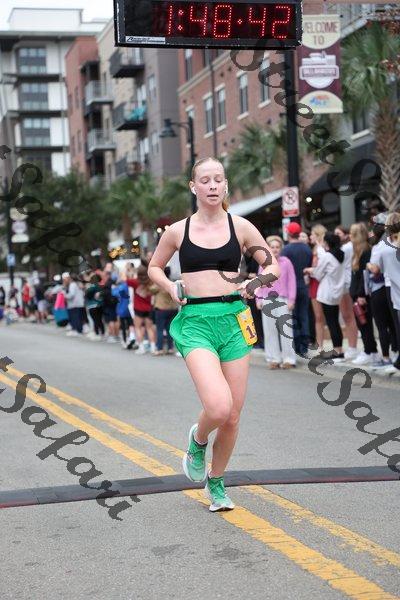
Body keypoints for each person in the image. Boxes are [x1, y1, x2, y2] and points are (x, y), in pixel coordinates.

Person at [148, 157, 280, 512]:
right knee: (219, 407)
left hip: (234, 320)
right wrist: (170, 286)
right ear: (193, 187)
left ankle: (217, 482)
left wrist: (254, 283)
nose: (212, 185)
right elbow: (154, 267)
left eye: (218, 179)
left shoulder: (241, 226)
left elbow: (272, 264)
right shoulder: (177, 231)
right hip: (195, 322)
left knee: (233, 415)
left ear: (225, 185)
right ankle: (198, 438)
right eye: (204, 180)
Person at [256, 235, 296, 368]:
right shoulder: (264, 263)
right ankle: (273, 359)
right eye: (272, 247)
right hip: (267, 300)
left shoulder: (286, 262)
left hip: (283, 299)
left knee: (286, 330)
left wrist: (291, 299)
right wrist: (258, 299)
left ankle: (289, 359)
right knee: (269, 331)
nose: (275, 249)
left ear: (281, 248)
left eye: (277, 247)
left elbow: (292, 282)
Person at [367, 212, 400, 374]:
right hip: (392, 287)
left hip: (393, 288)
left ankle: (396, 358)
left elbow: (375, 269)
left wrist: (368, 266)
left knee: (396, 324)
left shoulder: (383, 247)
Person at [304, 232, 346, 359]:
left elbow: (318, 273)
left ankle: (337, 351)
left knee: (332, 323)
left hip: (327, 293)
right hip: (337, 292)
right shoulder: (341, 254)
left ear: (327, 243)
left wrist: (309, 270)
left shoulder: (327, 256)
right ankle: (339, 349)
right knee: (335, 322)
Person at [349, 223, 379, 365]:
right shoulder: (358, 251)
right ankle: (370, 351)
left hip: (362, 294)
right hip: (357, 293)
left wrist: (361, 294)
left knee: (364, 323)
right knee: (362, 324)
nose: (349, 236)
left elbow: (364, 275)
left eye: (352, 233)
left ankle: (370, 351)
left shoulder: (366, 251)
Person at [281, 222, 312, 356]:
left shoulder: (286, 250)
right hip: (303, 285)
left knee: (293, 317)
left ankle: (297, 346)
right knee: (304, 316)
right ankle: (304, 346)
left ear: (288, 233)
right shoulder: (307, 249)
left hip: (290, 288)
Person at [334, 225, 359, 360]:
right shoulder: (346, 247)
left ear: (346, 234)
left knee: (349, 316)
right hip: (344, 284)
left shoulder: (347, 247)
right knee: (346, 316)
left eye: (338, 233)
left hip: (347, 284)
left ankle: (353, 347)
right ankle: (352, 347)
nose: (336, 236)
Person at [127, 264, 157, 355]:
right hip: (149, 308)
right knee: (149, 328)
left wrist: (131, 272)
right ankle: (153, 348)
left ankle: (141, 348)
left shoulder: (135, 282)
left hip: (138, 308)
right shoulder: (151, 282)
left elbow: (126, 280)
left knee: (138, 327)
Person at [149, 267, 179, 355]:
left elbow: (151, 289)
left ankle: (160, 349)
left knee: (160, 329)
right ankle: (170, 348)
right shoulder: (173, 283)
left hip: (161, 309)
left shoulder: (160, 284)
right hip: (173, 308)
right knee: (170, 329)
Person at [309, 224, 326, 350]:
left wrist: (310, 270)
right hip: (314, 283)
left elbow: (321, 268)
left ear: (318, 235)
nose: (310, 236)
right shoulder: (315, 249)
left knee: (319, 316)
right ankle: (319, 343)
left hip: (320, 283)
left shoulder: (321, 249)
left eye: (312, 234)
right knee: (318, 317)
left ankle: (320, 344)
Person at [85, 273, 105, 340]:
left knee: (95, 320)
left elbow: (87, 295)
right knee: (100, 320)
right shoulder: (101, 286)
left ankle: (97, 334)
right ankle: (103, 333)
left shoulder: (91, 286)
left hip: (92, 305)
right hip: (100, 305)